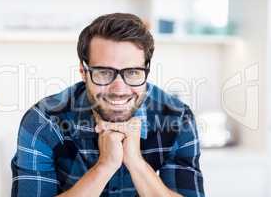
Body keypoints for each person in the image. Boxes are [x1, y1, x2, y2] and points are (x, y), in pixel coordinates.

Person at [11, 13, 205, 197]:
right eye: (104, 72)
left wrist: (136, 163)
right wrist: (104, 166)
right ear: (83, 71)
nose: (119, 89)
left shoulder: (178, 118)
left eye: (132, 73)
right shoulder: (42, 122)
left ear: (146, 71)